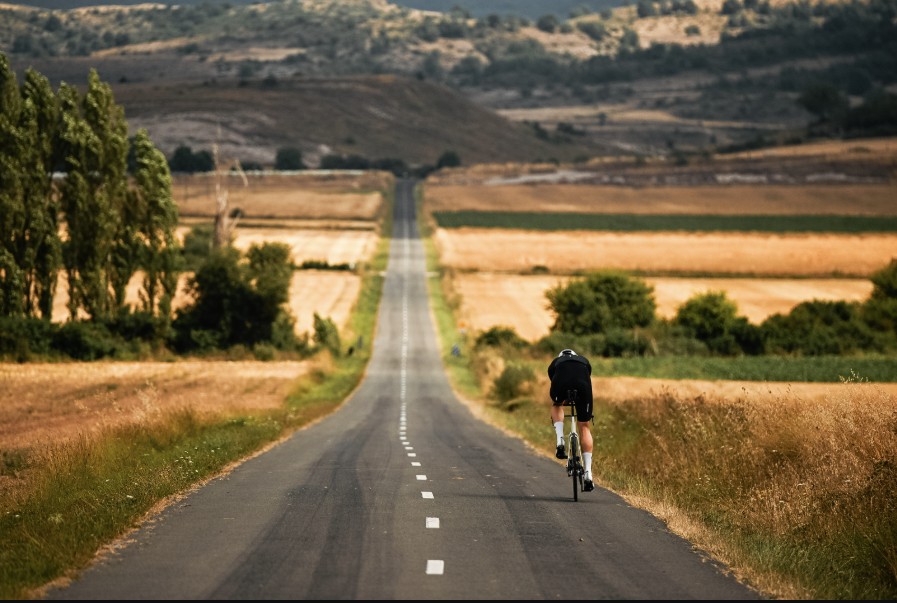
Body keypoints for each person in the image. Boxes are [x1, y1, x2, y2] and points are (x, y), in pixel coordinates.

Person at [547, 348, 595, 492]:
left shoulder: (555, 362)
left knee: (556, 405)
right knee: (585, 425)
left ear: (560, 356)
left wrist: (563, 400)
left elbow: (554, 379)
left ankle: (560, 439)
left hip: (561, 384)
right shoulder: (584, 361)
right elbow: (586, 376)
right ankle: (588, 474)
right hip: (583, 386)